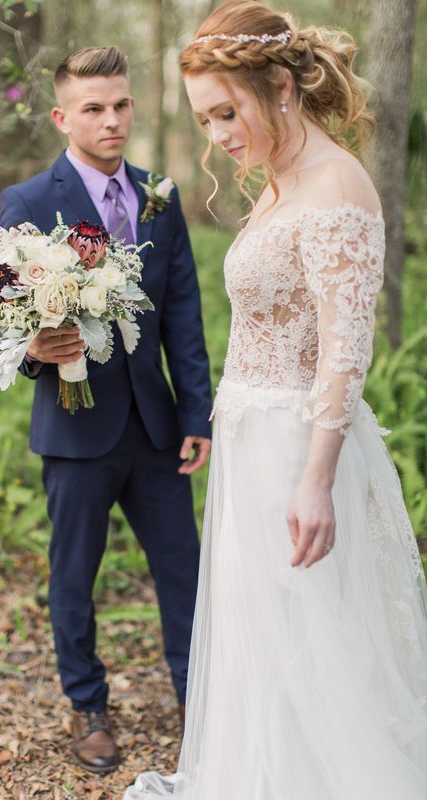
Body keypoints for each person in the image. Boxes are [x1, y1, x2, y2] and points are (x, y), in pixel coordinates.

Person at [124, 1, 427, 797]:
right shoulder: (279, 184)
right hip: (253, 446)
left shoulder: (336, 184)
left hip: (302, 450)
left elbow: (344, 347)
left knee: (316, 644)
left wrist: (318, 479)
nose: (218, 135)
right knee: (265, 640)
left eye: (228, 111)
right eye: (204, 118)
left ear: (281, 87)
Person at [0, 47, 213, 774]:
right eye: (94, 107)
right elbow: (9, 317)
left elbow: (183, 309)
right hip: (74, 428)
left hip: (155, 428)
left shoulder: (162, 194)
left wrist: (196, 415)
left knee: (185, 572)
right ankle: (88, 706)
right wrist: (38, 347)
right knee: (74, 578)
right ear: (63, 116)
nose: (112, 119)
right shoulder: (28, 201)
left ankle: (200, 700)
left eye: (120, 104)